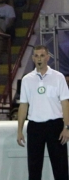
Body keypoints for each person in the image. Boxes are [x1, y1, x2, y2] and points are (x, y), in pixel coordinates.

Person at [17, 45, 69, 180]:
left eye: (42, 55)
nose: (39, 58)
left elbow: (65, 103)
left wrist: (67, 127)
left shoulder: (58, 77)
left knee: (61, 167)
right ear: (33, 58)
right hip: (35, 127)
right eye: (36, 56)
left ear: (48, 57)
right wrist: (19, 130)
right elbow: (23, 105)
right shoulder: (27, 79)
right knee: (34, 168)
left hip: (55, 126)